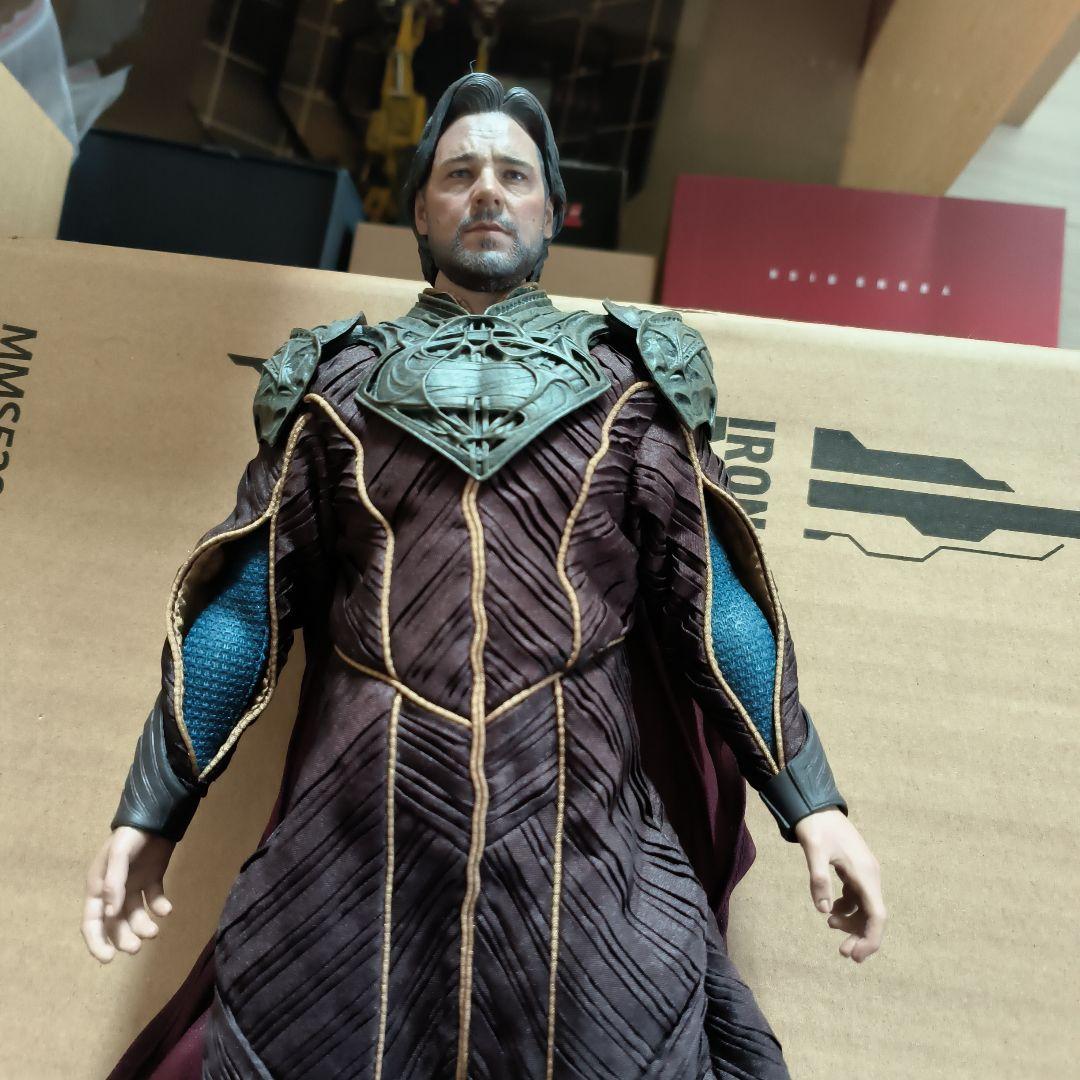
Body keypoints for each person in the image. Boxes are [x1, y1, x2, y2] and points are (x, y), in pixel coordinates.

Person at [83, 72, 885, 1079]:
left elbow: (714, 602)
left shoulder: (631, 381)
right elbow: (245, 611)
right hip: (359, 833)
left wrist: (814, 803)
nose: (488, 191)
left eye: (514, 173)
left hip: (582, 833)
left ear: (552, 209)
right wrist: (151, 809)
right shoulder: (333, 384)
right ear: (420, 212)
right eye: (459, 173)